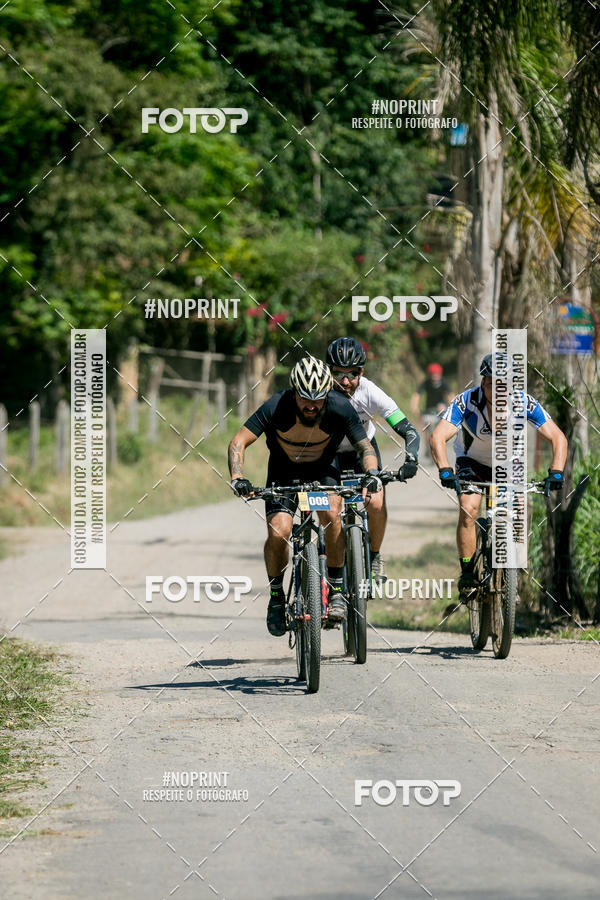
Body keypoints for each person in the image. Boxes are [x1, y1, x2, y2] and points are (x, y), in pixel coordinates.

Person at [227, 355, 382, 636]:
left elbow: (365, 447)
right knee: (279, 531)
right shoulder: (277, 405)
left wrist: (371, 473)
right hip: (282, 472)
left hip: (323, 469)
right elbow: (239, 441)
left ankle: (336, 589)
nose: (312, 406)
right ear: (294, 393)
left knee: (331, 514)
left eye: (318, 399)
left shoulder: (339, 406)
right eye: (305, 399)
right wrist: (237, 477)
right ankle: (276, 597)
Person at [429, 353, 568, 592]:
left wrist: (556, 472)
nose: (498, 390)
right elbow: (437, 436)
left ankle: (512, 572)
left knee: (519, 510)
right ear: (483, 383)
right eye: (492, 383)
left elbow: (558, 438)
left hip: (508, 465)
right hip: (471, 461)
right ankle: (467, 572)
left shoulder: (524, 403)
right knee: (469, 508)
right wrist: (444, 469)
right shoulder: (466, 401)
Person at [326, 337, 420, 581]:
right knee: (329, 507)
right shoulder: (321, 391)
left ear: (362, 372)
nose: (345, 382)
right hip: (329, 454)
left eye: (352, 374)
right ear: (329, 371)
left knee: (376, 502)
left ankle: (375, 555)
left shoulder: (371, 391)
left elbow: (408, 430)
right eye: (338, 374)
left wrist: (411, 459)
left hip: (363, 451)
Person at [411, 363, 453, 458]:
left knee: (440, 425)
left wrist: (451, 406)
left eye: (437, 375)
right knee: (426, 426)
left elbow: (450, 395)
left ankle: (441, 443)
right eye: (433, 375)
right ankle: (427, 445)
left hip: (441, 407)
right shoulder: (426, 383)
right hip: (429, 409)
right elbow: (417, 394)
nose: (435, 377)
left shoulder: (444, 382)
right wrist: (415, 407)